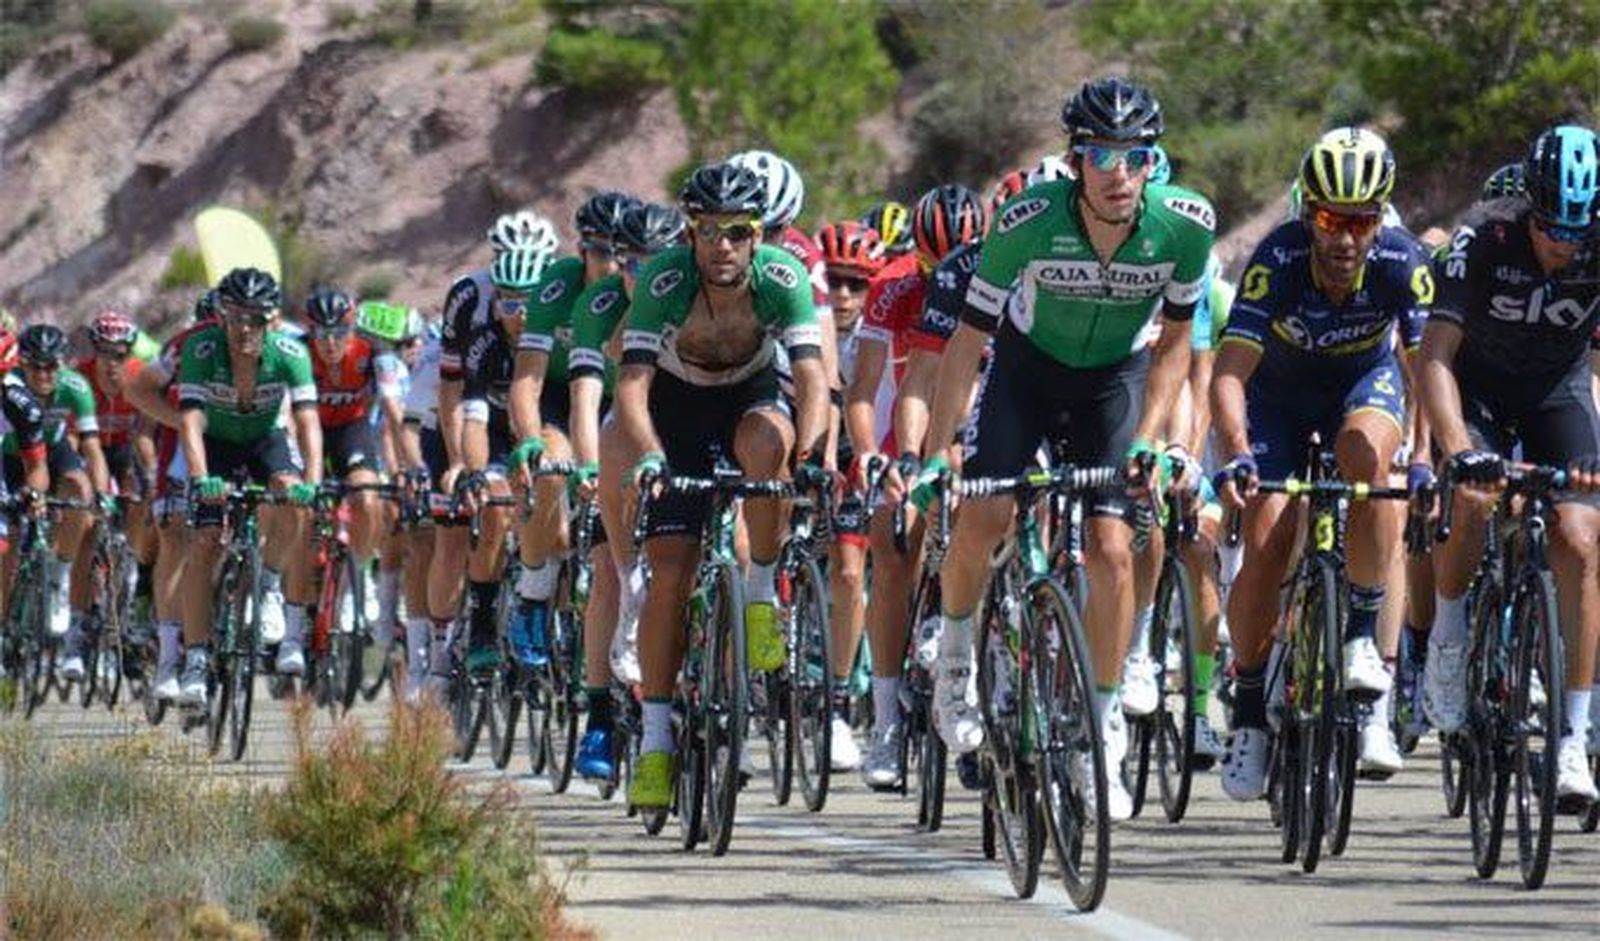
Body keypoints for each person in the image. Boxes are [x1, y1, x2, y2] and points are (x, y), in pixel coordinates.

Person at [915, 77, 1214, 820]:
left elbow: (1177, 344)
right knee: (985, 518)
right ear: (1076, 160)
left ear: (1153, 161)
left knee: (1114, 547)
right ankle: (956, 652)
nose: (1120, 172)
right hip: (1026, 372)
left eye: (1136, 156)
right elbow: (967, 342)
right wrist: (938, 448)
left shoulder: (1184, 225)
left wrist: (1151, 439)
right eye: (1102, 155)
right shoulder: (1024, 220)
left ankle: (1101, 727)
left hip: (1115, 380)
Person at [1212, 127, 1433, 798]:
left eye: (1361, 220)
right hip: (1277, 397)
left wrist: (1423, 458)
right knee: (1269, 535)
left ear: (1380, 219)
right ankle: (1249, 705)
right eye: (1332, 218)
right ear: (1309, 211)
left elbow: (1428, 372)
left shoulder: (1402, 259)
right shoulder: (1275, 258)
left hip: (1360, 389)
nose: (1345, 238)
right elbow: (1227, 374)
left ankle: (1364, 640)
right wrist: (1238, 455)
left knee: (1370, 463)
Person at [619, 162, 829, 809]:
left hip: (748, 394)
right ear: (690, 232)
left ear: (758, 234)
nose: (723, 246)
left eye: (737, 231)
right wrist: (651, 456)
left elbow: (813, 377)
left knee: (772, 447)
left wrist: (814, 452)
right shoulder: (664, 279)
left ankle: (761, 591)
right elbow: (631, 386)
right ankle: (656, 740)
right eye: (708, 231)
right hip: (675, 406)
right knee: (671, 573)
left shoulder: (783, 279)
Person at [1419, 124, 1600, 803]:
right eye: (1553, 225)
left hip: (1558, 388)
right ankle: (1449, 634)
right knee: (1471, 499)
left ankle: (1572, 739)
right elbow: (1434, 356)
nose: (1565, 243)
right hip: (1478, 386)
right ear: (1530, 205)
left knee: (1580, 538)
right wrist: (1460, 448)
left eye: (1580, 228)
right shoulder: (1483, 238)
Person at [565, 201, 687, 780]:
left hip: (682, 421)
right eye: (630, 262)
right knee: (610, 570)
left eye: (656, 261)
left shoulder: (695, 291)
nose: (642, 273)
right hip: (623, 425)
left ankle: (711, 692)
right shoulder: (601, 303)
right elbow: (589, 396)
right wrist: (589, 469)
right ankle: (598, 718)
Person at [174, 267, 322, 705]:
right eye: (236, 316)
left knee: (295, 503)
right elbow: (190, 420)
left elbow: (308, 420)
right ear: (221, 315)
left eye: (255, 319)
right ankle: (197, 658)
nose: (244, 329)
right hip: (215, 444)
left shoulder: (290, 353)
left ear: (271, 321)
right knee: (203, 543)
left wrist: (312, 482)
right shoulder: (200, 349)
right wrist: (201, 480)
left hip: (264, 439)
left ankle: (271, 583)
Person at [11, 324, 108, 684]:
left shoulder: (75, 387)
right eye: (35, 366)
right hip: (10, 457)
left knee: (80, 492)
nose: (44, 374)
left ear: (62, 365)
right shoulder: (11, 388)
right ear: (22, 365)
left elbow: (92, 446)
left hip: (52, 451)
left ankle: (59, 575)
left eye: (52, 366)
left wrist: (101, 495)